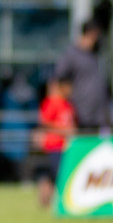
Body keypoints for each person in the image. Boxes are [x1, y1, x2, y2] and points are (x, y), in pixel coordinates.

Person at [53, 19, 107, 132]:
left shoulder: (95, 54)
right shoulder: (71, 54)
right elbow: (59, 78)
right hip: (80, 114)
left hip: (97, 115)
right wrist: (70, 99)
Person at [33, 76, 75, 208]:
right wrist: (63, 130)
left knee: (58, 175)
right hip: (54, 145)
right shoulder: (52, 102)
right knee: (57, 175)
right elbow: (43, 122)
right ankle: (48, 200)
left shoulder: (66, 103)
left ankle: (52, 199)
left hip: (64, 146)